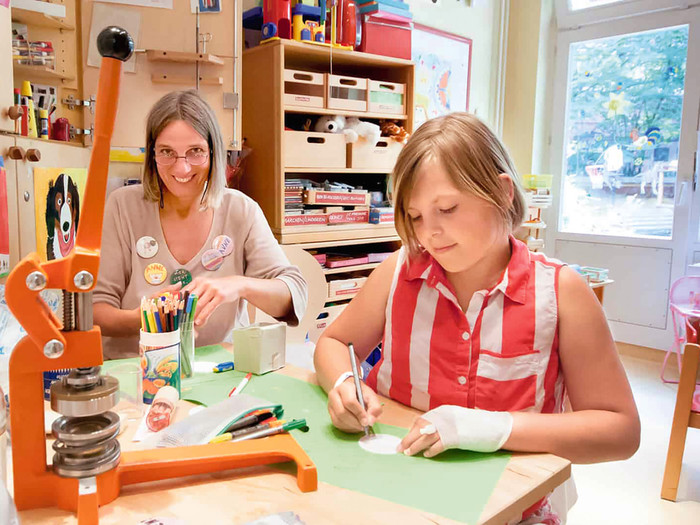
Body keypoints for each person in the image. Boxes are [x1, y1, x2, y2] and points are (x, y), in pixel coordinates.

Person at [313, 113, 640, 524]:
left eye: (447, 208)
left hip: (511, 506)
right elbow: (331, 344)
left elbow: (620, 432)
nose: (430, 232)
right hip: (394, 492)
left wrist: (494, 429)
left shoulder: (561, 292)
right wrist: (345, 383)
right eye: (415, 217)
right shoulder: (398, 272)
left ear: (502, 193)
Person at [94, 90, 307, 359]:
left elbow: (294, 292)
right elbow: (95, 310)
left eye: (195, 152)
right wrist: (148, 318)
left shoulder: (241, 210)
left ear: (214, 152)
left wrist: (238, 285)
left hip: (220, 370)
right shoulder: (122, 207)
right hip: (135, 372)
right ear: (151, 154)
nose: (181, 169)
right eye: (167, 152)